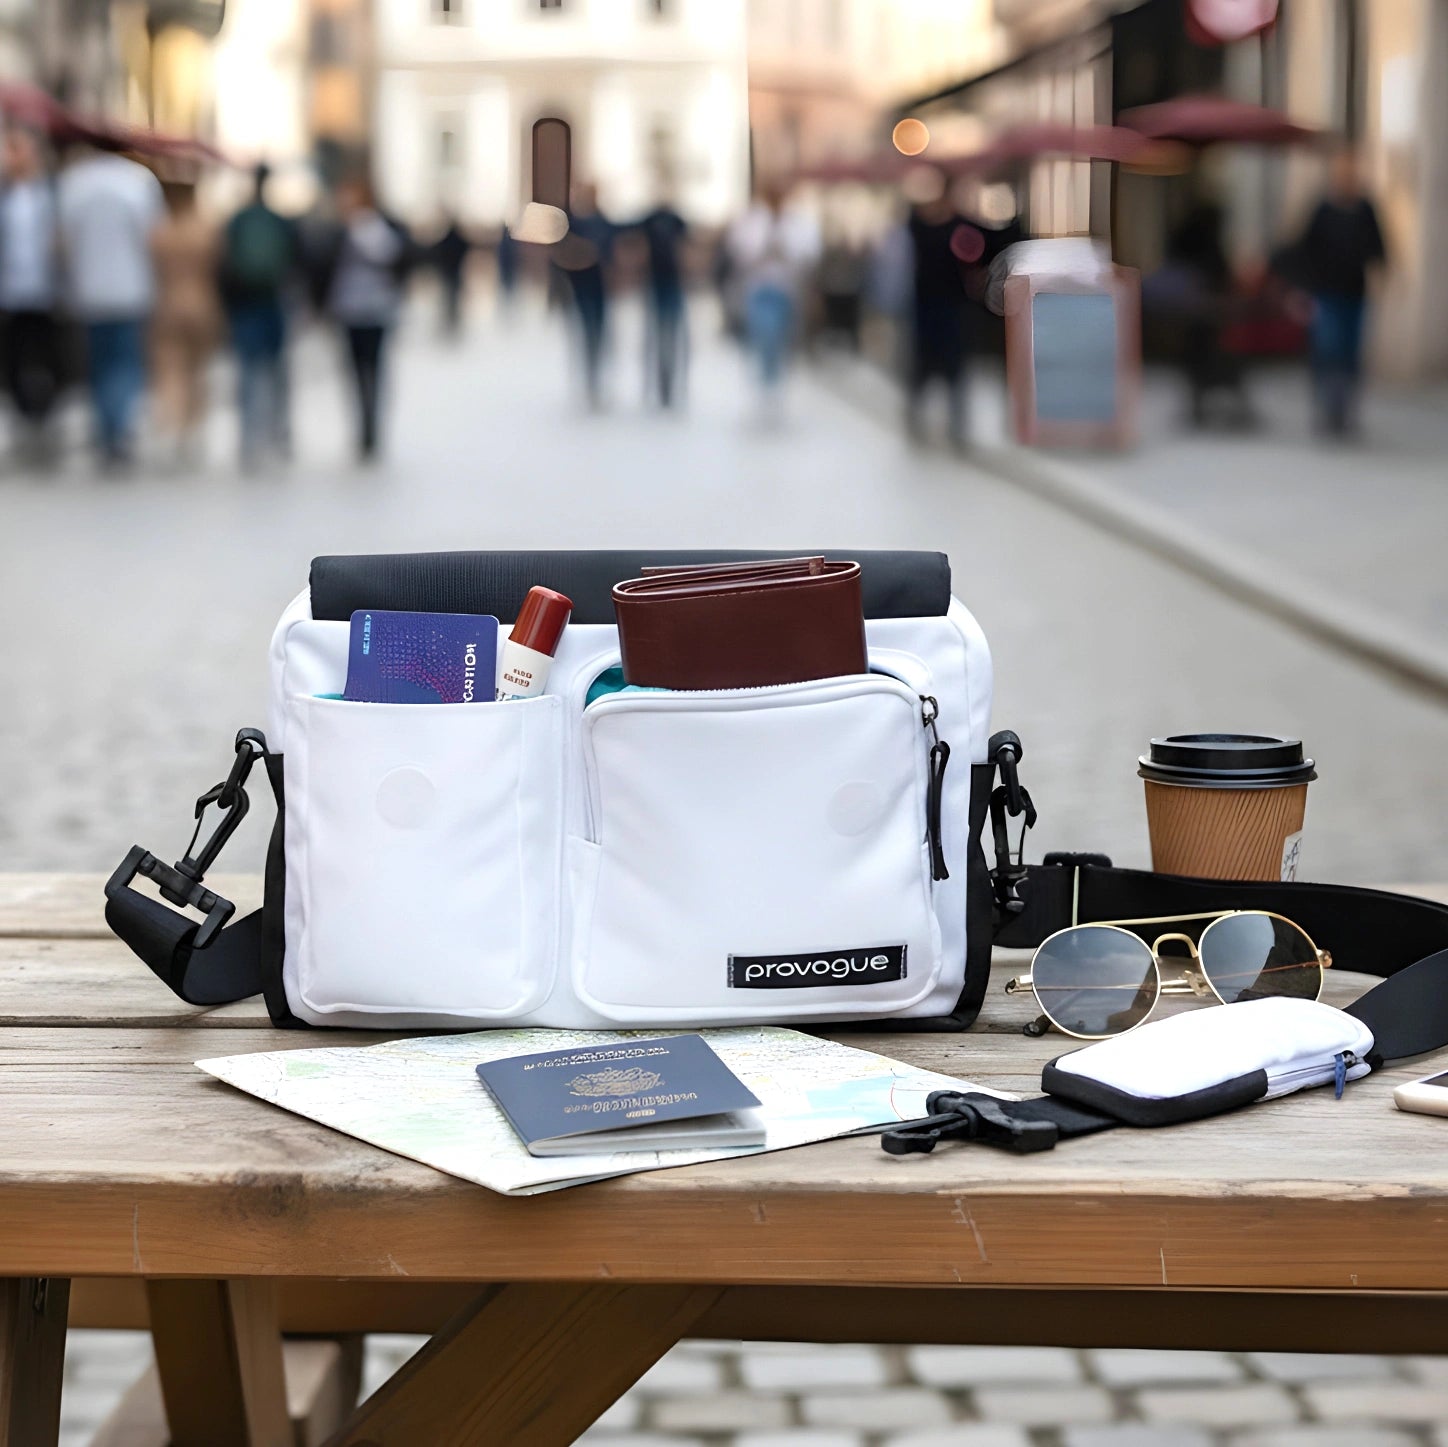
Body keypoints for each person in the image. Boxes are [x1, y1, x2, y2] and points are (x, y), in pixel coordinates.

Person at [56, 143, 163, 468]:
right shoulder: (138, 183)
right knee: (125, 363)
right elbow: (154, 237)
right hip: (131, 290)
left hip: (89, 291)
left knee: (101, 363)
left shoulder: (74, 183)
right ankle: (119, 429)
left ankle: (108, 430)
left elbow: (63, 242)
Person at [1291, 148, 1386, 437]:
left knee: (1350, 352)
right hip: (1326, 292)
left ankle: (1344, 409)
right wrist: (1301, 290)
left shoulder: (1366, 208)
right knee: (1328, 348)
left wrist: (1384, 270)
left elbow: (1379, 246)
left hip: (1355, 293)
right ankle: (1327, 406)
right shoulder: (1322, 209)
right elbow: (1305, 250)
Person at [322, 175, 411, 460]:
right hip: (364, 310)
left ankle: (368, 426)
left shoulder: (361, 228)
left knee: (365, 370)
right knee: (367, 371)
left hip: (362, 310)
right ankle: (367, 425)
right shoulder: (375, 228)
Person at [220, 162, 298, 469]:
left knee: (249, 372)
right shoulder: (279, 221)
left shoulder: (238, 221)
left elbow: (224, 265)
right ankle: (278, 434)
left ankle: (249, 438)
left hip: (245, 305)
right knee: (277, 372)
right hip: (272, 302)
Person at [724, 184, 820, 418]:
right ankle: (765, 386)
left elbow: (809, 254)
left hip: (786, 290)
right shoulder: (753, 220)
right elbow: (739, 252)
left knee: (781, 339)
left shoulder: (797, 222)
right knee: (763, 336)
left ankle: (776, 385)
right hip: (758, 289)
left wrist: (786, 250)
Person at [149, 180, 222, 465]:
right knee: (198, 371)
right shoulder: (206, 231)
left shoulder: (161, 231)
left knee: (170, 370)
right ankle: (193, 427)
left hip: (168, 303)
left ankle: (173, 425)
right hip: (202, 304)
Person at [0, 126, 61, 461]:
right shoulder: (5, 196)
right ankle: (23, 417)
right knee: (12, 359)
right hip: (10, 294)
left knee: (47, 356)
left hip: (44, 292)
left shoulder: (50, 193)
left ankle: (44, 416)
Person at [904, 174, 977, 448]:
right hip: (926, 306)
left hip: (952, 307)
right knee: (924, 366)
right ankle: (919, 418)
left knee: (954, 368)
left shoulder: (961, 227)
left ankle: (957, 426)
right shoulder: (919, 226)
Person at [552, 182, 616, 409]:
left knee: (601, 339)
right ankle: (588, 384)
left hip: (601, 291)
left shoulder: (603, 222)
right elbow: (561, 254)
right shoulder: (573, 223)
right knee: (584, 338)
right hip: (580, 291)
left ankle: (597, 383)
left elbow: (613, 253)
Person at [629, 195, 689, 408]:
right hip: (654, 284)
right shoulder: (649, 220)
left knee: (671, 337)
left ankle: (668, 387)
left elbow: (688, 248)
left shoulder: (678, 221)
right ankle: (654, 386)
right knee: (654, 338)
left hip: (672, 285)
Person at [430, 213, 471, 336]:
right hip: (453, 271)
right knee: (451, 295)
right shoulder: (456, 238)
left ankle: (451, 315)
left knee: (450, 294)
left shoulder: (447, 238)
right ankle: (451, 315)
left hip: (450, 271)